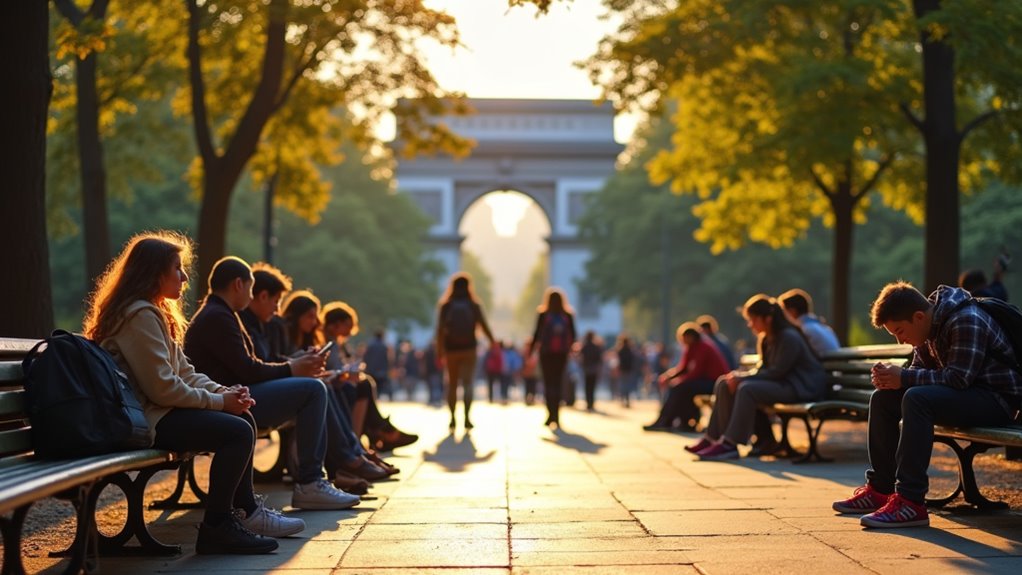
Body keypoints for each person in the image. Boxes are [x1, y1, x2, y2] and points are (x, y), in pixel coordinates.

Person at [84, 231, 298, 555]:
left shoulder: (154, 312)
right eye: (177, 268)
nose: (184, 277)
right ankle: (218, 527)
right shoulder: (139, 315)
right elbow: (162, 388)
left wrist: (225, 394)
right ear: (155, 272)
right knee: (237, 432)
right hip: (145, 419)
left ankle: (243, 514)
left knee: (243, 419)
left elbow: (185, 372)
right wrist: (219, 402)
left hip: (157, 412)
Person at [832, 282, 1021, 528]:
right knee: (883, 400)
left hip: (997, 401)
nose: (901, 341)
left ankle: (911, 502)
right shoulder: (928, 330)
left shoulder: (966, 320)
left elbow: (958, 378)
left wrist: (904, 378)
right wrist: (892, 380)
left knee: (917, 398)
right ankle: (881, 490)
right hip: (969, 396)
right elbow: (918, 373)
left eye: (900, 331)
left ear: (918, 317)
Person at [184, 257, 363, 510]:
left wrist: (298, 362)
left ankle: (324, 473)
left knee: (313, 386)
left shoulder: (222, 313)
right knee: (313, 389)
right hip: (229, 401)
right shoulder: (218, 316)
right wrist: (293, 367)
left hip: (234, 395)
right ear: (238, 284)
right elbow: (248, 370)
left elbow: (252, 364)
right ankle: (311, 482)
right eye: (250, 287)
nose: (251, 294)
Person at [689, 294, 826, 460]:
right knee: (724, 383)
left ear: (767, 319)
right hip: (785, 384)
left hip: (801, 387)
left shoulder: (789, 337)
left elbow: (778, 372)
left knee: (747, 389)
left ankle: (730, 444)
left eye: (752, 319)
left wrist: (743, 379)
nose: (750, 324)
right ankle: (714, 438)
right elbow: (764, 368)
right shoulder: (767, 338)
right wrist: (739, 376)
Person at [283, 292, 417, 455]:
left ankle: (358, 444)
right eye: (311, 317)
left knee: (356, 385)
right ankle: (358, 445)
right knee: (349, 388)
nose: (316, 322)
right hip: (307, 383)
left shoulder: (316, 337)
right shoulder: (313, 337)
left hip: (318, 381)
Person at [435, 272, 496, 430]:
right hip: (469, 348)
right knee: (468, 383)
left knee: (452, 384)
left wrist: (439, 350)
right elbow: (483, 325)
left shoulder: (446, 305)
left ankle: (453, 418)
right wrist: (493, 342)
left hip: (451, 349)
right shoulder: (473, 305)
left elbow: (440, 330)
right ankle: (467, 418)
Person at [645, 322, 730, 432]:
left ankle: (668, 420)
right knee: (681, 387)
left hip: (715, 382)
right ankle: (682, 421)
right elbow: (683, 368)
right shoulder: (692, 347)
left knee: (681, 387)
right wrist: (668, 376)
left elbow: (696, 372)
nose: (682, 342)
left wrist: (677, 381)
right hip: (703, 381)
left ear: (690, 337)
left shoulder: (703, 347)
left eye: (683, 339)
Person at [528, 287, 577, 428]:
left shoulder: (543, 314)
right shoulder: (567, 315)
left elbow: (536, 334)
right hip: (561, 354)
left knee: (548, 384)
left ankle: (550, 415)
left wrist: (531, 352)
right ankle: (557, 415)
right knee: (559, 383)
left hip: (546, 353)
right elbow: (573, 335)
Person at [779, 288, 841, 356]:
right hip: (835, 363)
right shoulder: (824, 328)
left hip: (825, 365)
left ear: (792, 311)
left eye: (784, 312)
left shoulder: (804, 330)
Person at [363, 330, 392, 400]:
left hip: (371, 370)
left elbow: (366, 357)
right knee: (381, 386)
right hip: (381, 370)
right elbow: (387, 358)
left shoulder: (370, 345)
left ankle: (375, 398)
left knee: (373, 386)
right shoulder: (384, 346)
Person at [580, 331, 604, 412]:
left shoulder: (584, 346)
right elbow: (599, 359)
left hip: (586, 369)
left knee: (587, 387)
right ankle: (591, 403)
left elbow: (581, 357)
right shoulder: (596, 347)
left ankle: (588, 403)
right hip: (593, 370)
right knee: (592, 387)